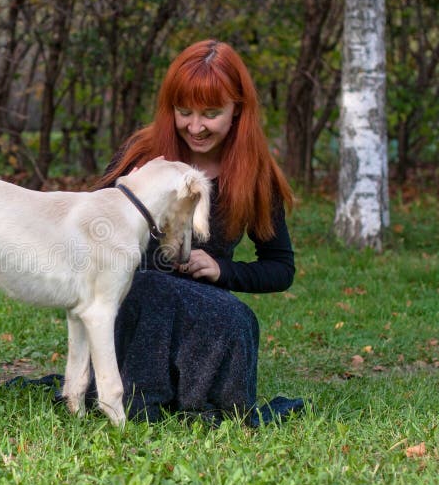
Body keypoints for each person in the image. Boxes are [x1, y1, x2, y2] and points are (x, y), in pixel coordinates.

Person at [17, 39, 305, 426]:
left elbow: (280, 268)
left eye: (211, 113)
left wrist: (223, 270)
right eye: (184, 111)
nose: (196, 126)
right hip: (131, 302)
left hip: (199, 319)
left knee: (238, 319)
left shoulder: (253, 175)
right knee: (148, 287)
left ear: (238, 110)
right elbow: (86, 230)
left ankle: (187, 392)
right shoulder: (142, 155)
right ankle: (124, 389)